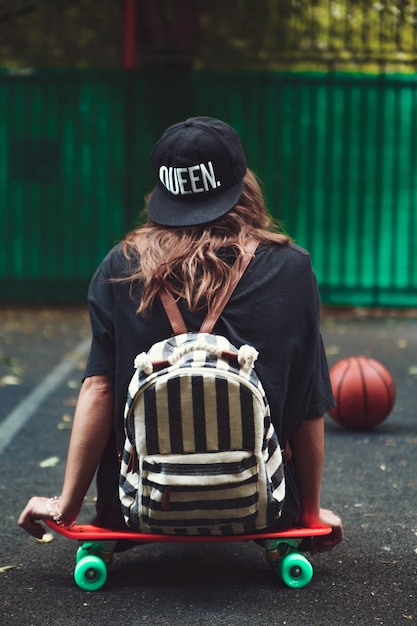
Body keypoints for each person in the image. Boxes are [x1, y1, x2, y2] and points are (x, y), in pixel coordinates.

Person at [18, 116, 343, 554]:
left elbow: (99, 389)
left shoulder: (120, 266)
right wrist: (310, 516)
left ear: (165, 194)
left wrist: (67, 507)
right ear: (242, 183)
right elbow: (309, 403)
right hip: (268, 505)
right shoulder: (292, 268)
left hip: (136, 507)